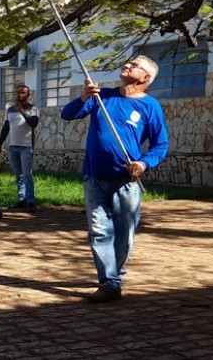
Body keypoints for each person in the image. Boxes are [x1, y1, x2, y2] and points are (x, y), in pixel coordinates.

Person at [60, 55, 169, 302]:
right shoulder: (102, 96)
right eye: (128, 62)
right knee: (99, 231)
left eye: (135, 65)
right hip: (94, 175)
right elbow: (68, 115)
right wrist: (84, 97)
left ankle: (115, 275)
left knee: (124, 234)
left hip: (126, 180)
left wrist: (143, 163)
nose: (128, 65)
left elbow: (160, 145)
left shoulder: (150, 106)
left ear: (146, 78)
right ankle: (109, 283)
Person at [0, 84, 41, 212]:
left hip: (26, 147)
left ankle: (31, 201)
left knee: (27, 174)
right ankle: (22, 200)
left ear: (28, 94)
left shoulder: (33, 109)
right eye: (18, 93)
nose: (20, 95)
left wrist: (22, 111)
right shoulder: (10, 109)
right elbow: (6, 127)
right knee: (18, 175)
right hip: (12, 147)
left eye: (23, 93)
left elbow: (34, 123)